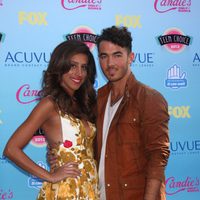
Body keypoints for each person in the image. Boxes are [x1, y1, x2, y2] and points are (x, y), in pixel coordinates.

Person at [3, 40, 100, 199]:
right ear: (60, 67)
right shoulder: (49, 104)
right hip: (66, 190)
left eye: (84, 67)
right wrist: (50, 176)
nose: (79, 73)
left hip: (90, 187)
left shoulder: (85, 104)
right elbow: (11, 149)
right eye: (72, 65)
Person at [95, 26, 170, 200]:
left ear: (131, 57)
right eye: (104, 56)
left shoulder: (149, 98)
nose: (110, 63)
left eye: (117, 55)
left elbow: (157, 157)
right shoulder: (98, 98)